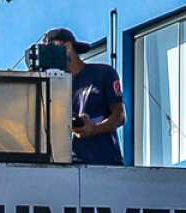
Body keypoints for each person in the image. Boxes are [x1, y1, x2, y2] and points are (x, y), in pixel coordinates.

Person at [41, 28, 124, 166]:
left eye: (52, 49)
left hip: (105, 163)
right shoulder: (53, 85)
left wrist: (94, 129)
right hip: (69, 165)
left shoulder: (103, 73)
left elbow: (120, 116)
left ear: (67, 47)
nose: (49, 57)